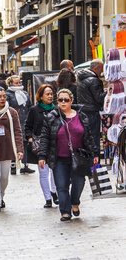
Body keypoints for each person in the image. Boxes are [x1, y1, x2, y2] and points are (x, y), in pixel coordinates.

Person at [37, 89, 98, 221]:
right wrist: (42, 156)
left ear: (71, 101)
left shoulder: (81, 116)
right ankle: (65, 211)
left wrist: (94, 153)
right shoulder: (51, 117)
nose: (63, 102)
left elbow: (88, 137)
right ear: (57, 101)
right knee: (61, 186)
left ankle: (75, 202)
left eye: (66, 100)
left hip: (79, 157)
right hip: (59, 158)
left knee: (79, 183)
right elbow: (45, 138)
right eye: (60, 100)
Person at [25, 85, 59, 208]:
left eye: (51, 94)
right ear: (40, 96)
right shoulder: (34, 110)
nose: (50, 96)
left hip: (55, 144)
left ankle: (54, 192)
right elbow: (28, 126)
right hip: (41, 145)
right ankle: (48, 198)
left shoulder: (57, 109)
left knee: (55, 170)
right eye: (47, 94)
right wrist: (30, 138)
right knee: (43, 172)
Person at [77, 59, 106, 159]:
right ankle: (94, 162)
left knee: (87, 136)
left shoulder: (81, 77)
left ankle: (88, 159)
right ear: (95, 68)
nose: (101, 72)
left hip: (84, 111)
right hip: (92, 111)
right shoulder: (93, 80)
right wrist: (107, 92)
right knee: (94, 136)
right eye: (101, 69)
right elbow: (98, 97)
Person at [6, 75, 34, 175]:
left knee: (25, 143)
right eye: (16, 83)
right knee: (14, 144)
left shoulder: (24, 93)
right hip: (14, 122)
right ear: (10, 83)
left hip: (25, 121)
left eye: (19, 83)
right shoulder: (7, 94)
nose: (18, 84)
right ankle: (13, 165)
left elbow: (30, 106)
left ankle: (25, 165)